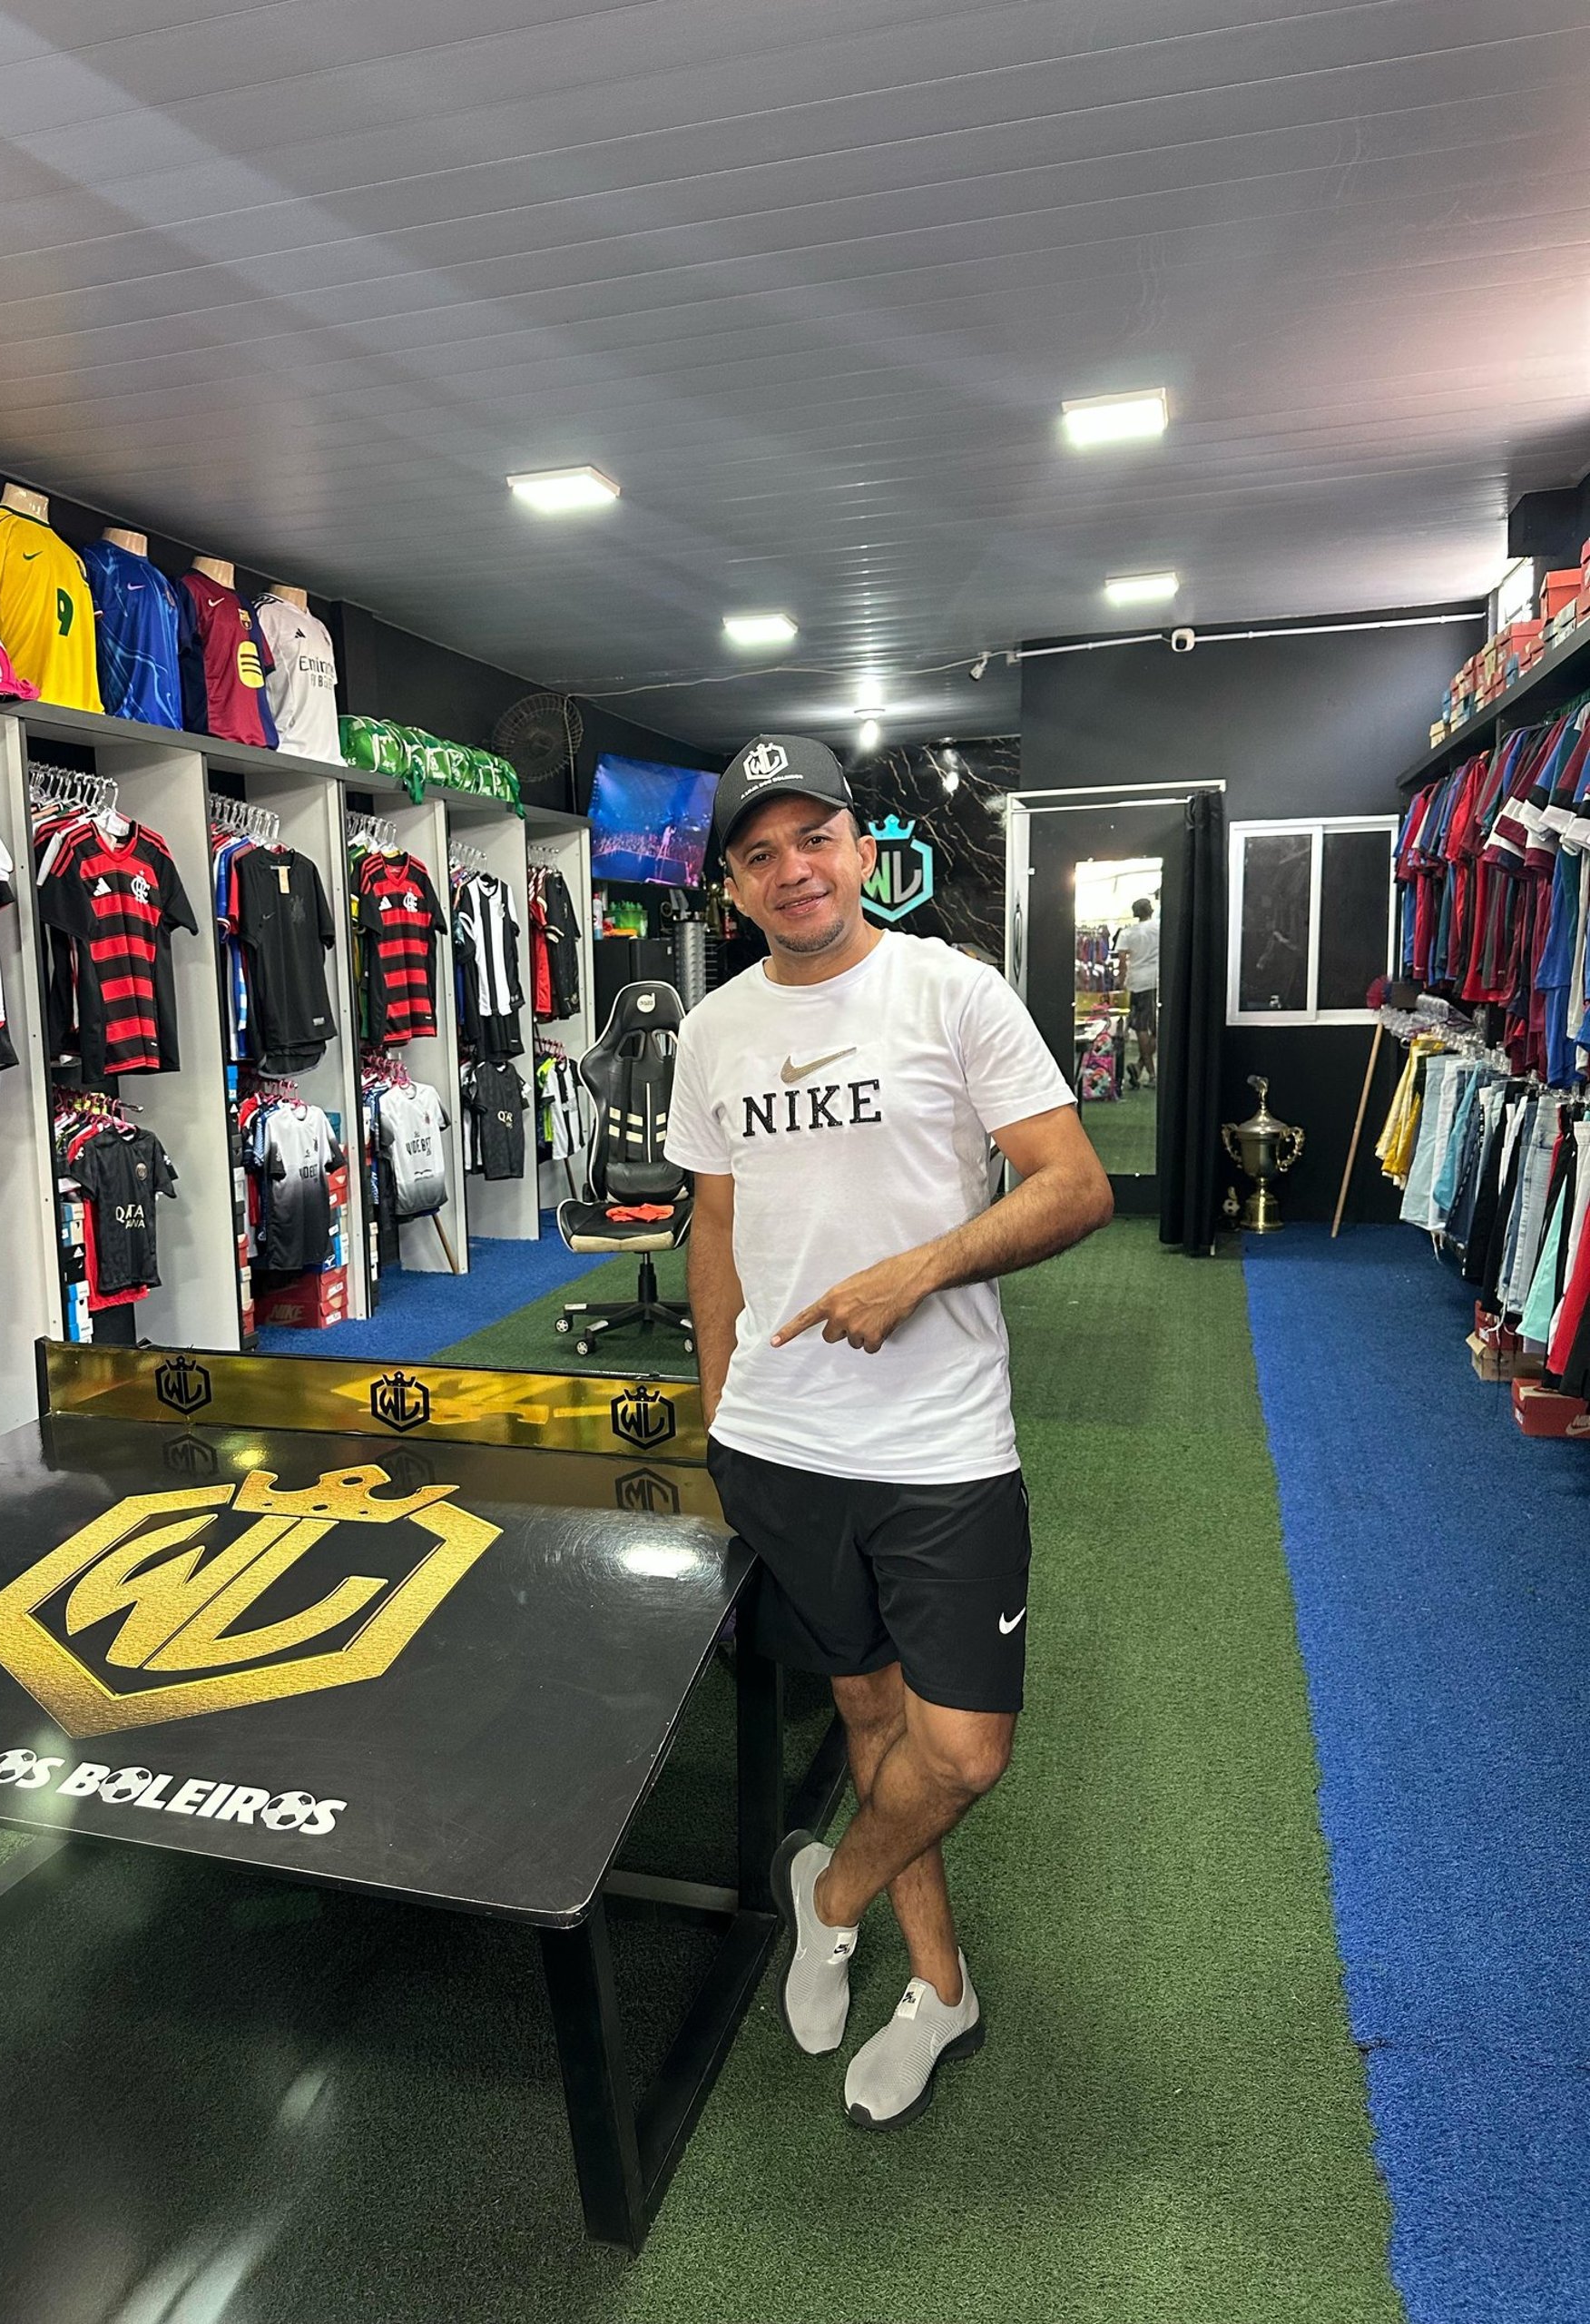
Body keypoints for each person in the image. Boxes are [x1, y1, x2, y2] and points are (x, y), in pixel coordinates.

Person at [664, 734, 1113, 2131]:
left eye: (816, 839)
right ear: (734, 888)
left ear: (864, 851)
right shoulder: (716, 1027)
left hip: (940, 1446)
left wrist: (921, 1268)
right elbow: (719, 1222)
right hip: (781, 1444)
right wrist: (717, 1396)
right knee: (866, 1715)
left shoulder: (950, 991)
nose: (793, 869)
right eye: (760, 853)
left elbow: (1075, 1184)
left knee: (964, 1750)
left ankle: (832, 1891)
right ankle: (941, 1987)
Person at [1114, 896, 1160, 1089]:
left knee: (1141, 1027)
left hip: (1138, 982)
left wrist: (1122, 981)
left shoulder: (1127, 933)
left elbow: (1123, 961)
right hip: (1158, 980)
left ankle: (1149, 1072)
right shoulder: (1160, 927)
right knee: (1157, 1028)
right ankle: (1142, 1068)